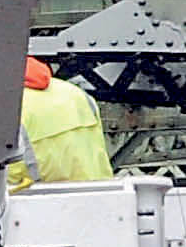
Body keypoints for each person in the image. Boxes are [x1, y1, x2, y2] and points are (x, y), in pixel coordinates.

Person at [12, 55, 114, 186]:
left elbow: (5, 174)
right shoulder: (75, 93)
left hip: (45, 200)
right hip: (103, 193)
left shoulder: (3, 109)